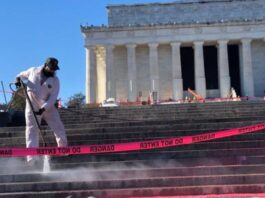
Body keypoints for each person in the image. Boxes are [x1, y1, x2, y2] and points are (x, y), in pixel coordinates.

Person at [15, 57, 68, 164]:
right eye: (51, 68)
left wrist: (43, 108)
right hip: (32, 106)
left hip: (48, 107)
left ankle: (63, 151)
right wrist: (17, 80)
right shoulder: (33, 71)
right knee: (31, 129)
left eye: (55, 69)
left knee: (59, 127)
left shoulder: (55, 81)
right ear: (45, 65)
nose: (53, 71)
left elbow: (53, 97)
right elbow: (20, 75)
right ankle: (32, 157)